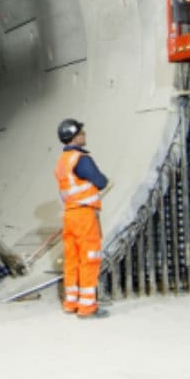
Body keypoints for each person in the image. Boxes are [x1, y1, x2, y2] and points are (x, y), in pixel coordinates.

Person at [54, 118, 111, 318]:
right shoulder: (81, 159)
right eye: (82, 132)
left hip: (69, 215)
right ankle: (87, 307)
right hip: (84, 215)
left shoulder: (62, 162)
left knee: (72, 260)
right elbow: (101, 181)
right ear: (74, 136)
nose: (84, 135)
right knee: (89, 259)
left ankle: (71, 303)